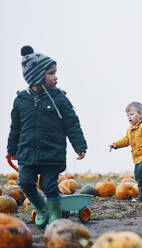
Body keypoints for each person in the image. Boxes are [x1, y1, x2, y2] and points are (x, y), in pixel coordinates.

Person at [6, 46, 87, 228]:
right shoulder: (21, 100)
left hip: (52, 152)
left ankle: (56, 216)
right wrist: (11, 150)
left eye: (55, 73)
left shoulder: (59, 98)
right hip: (27, 152)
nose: (56, 77)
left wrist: (79, 145)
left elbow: (72, 123)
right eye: (51, 73)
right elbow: (15, 128)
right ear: (35, 76)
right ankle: (42, 209)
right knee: (25, 182)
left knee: (49, 185)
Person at [109, 102, 142, 202]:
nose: (129, 117)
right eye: (127, 115)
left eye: (131, 114)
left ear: (140, 114)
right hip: (137, 157)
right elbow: (126, 140)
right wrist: (116, 145)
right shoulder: (130, 129)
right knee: (137, 175)